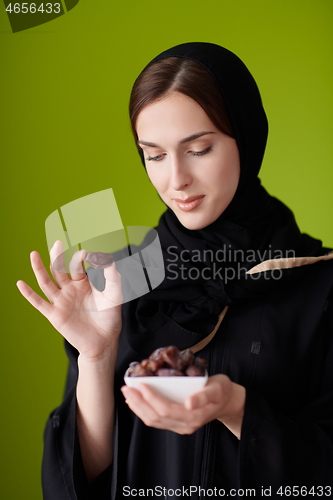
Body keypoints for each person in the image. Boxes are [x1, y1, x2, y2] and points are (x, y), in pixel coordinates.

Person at [17, 42, 333, 500]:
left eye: (199, 149)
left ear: (247, 137)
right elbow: (80, 480)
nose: (176, 180)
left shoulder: (318, 284)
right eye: (155, 155)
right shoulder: (117, 281)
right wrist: (97, 357)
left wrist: (236, 407)